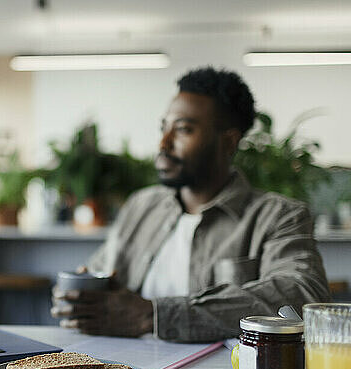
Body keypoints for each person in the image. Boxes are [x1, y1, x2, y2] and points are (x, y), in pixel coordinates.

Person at [50, 66, 330, 342]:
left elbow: (302, 294)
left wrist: (152, 316)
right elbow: (99, 271)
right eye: (164, 128)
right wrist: (78, 295)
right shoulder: (141, 206)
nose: (163, 143)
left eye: (183, 130)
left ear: (228, 142)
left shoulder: (278, 216)